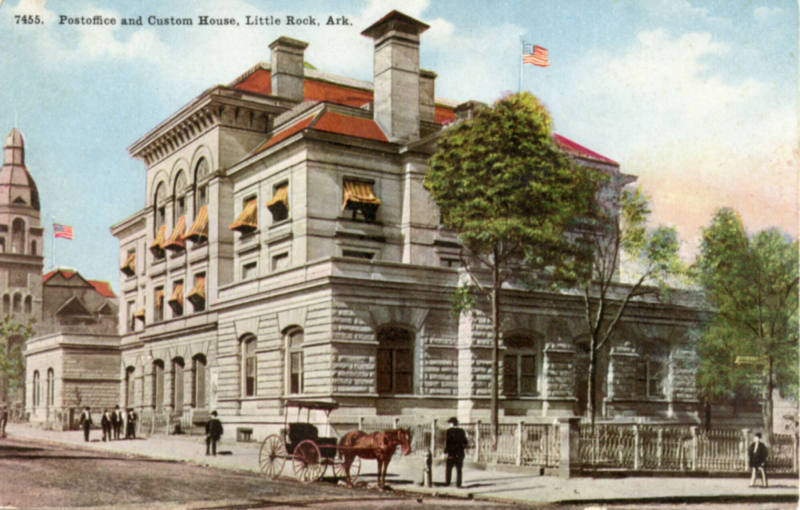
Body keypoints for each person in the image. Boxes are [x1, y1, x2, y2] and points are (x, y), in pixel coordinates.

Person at [443, 417, 469, 488]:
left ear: (451, 423)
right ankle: (458, 484)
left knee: (449, 468)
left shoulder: (448, 431)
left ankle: (448, 482)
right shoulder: (462, 431)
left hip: (451, 453)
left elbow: (448, 443)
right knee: (459, 469)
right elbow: (465, 442)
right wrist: (462, 448)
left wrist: (445, 451)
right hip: (459, 453)